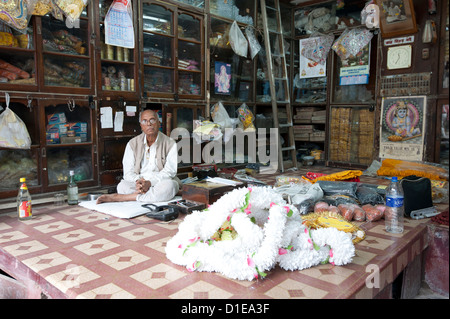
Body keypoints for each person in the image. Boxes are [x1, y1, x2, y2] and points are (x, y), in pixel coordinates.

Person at [96, 109, 180, 204]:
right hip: (138, 184)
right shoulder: (132, 144)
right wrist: (139, 182)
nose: (149, 124)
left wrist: (150, 183)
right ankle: (146, 196)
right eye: (144, 121)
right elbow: (128, 173)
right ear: (141, 126)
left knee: (170, 186)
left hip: (159, 183)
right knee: (122, 186)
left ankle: (123, 198)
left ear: (159, 123)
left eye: (152, 120)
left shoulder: (170, 143)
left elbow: (170, 171)